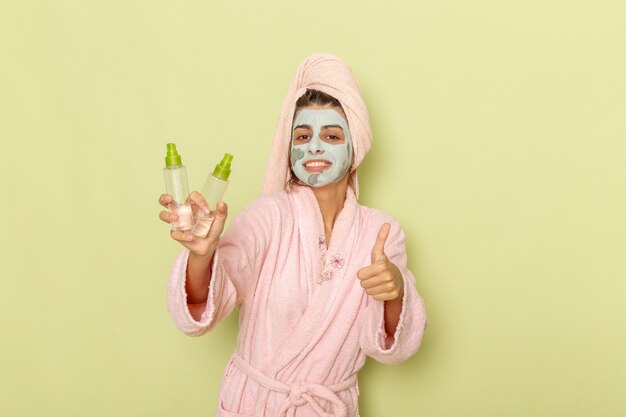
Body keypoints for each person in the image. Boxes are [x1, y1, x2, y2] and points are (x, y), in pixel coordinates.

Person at [158, 53, 427, 417]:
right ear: (290, 146)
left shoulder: (380, 232)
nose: (314, 146)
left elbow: (386, 346)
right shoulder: (268, 217)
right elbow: (209, 304)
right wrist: (202, 257)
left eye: (331, 135)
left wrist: (395, 293)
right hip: (254, 405)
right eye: (303, 135)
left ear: (356, 146)